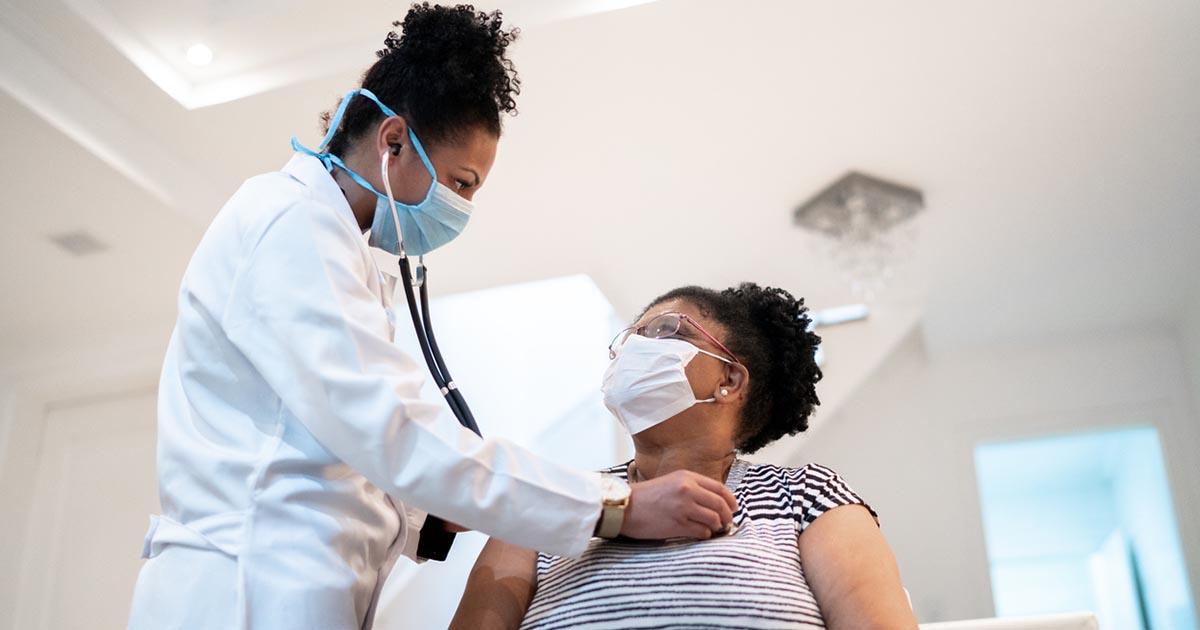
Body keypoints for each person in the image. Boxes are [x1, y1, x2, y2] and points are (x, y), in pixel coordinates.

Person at [127, 5, 736, 629]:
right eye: (461, 183)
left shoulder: (345, 250)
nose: (463, 207)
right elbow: (391, 431)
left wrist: (432, 513)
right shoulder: (290, 224)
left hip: (297, 585)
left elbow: (347, 449)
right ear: (392, 141)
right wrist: (618, 506)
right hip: (244, 589)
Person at [451, 283, 918, 630]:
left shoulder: (807, 496)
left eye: (663, 330)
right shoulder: (546, 500)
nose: (633, 348)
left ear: (730, 380)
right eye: (628, 337)